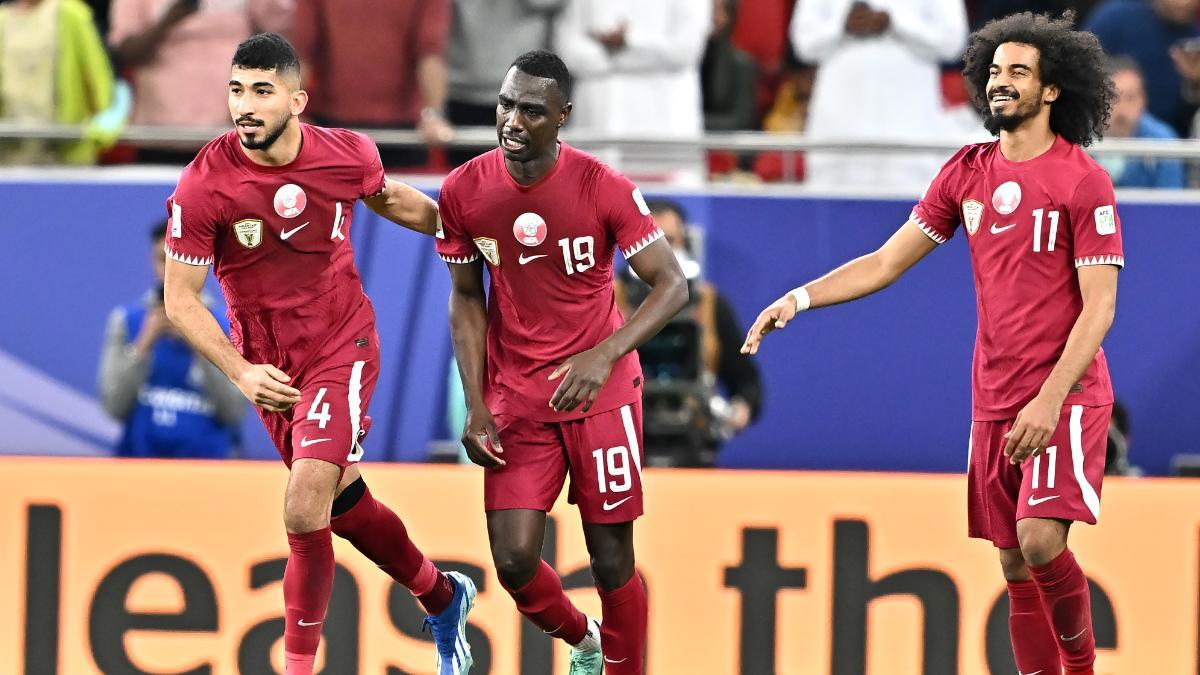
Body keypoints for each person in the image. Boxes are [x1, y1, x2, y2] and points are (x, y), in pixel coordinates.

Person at [743, 13, 1122, 675]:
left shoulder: (1081, 180)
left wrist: (1048, 401)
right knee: (1011, 558)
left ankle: (1082, 668)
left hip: (1064, 395)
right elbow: (886, 261)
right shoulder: (966, 172)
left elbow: (1101, 307)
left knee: (1038, 540)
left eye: (1019, 73)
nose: (1001, 83)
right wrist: (798, 297)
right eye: (995, 71)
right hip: (994, 393)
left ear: (1053, 90)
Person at [161, 33, 474, 675]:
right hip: (268, 367)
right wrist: (243, 371)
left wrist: (467, 226)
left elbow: (391, 199)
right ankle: (443, 597)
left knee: (305, 502)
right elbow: (181, 300)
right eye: (236, 90)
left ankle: (298, 666)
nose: (244, 106)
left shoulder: (346, 154)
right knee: (342, 508)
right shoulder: (204, 184)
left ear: (298, 100)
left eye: (262, 92)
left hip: (342, 343)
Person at [438, 50, 688, 674]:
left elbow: (672, 284)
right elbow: (466, 300)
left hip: (600, 396)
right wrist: (475, 403)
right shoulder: (464, 190)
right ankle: (587, 640)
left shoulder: (601, 187)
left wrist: (604, 356)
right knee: (515, 561)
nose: (512, 121)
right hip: (517, 398)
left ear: (562, 117)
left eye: (531, 110)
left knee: (611, 560)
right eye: (505, 104)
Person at [616, 200, 763, 466]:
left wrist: (739, 410)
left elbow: (746, 380)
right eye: (648, 242)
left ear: (685, 243)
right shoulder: (606, 299)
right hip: (618, 441)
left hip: (691, 441)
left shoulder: (709, 303)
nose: (660, 252)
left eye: (670, 241)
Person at [99, 222, 244, 458]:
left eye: (180, 259)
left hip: (212, 472)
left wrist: (201, 341)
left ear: (202, 261)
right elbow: (113, 407)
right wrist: (144, 342)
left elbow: (233, 412)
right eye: (162, 260)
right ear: (152, 261)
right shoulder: (127, 320)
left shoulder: (229, 323)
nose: (171, 270)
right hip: (140, 465)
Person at [790, 0, 968, 188]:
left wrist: (896, 22)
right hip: (839, 129)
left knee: (910, 209)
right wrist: (840, 26)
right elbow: (803, 43)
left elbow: (952, 42)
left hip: (910, 130)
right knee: (834, 203)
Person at [108, 0, 293, 163]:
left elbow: (281, 29)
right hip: (161, 134)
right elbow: (126, 52)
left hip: (231, 132)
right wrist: (170, 19)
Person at [288, 0, 453, 168]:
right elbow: (304, 50)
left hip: (398, 130)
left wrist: (433, 113)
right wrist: (433, 114)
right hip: (345, 125)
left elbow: (429, 50)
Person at [0, 0, 116, 164]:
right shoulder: (2, 19)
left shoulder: (72, 14)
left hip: (65, 150)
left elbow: (101, 82)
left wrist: (101, 136)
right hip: (9, 151)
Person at [1084, 0, 1200, 137]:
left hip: (1169, 143)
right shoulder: (1117, 18)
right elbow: (1077, 70)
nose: (1183, 3)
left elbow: (1188, 122)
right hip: (1100, 130)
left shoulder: (1195, 38)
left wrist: (1194, 84)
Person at [1102, 56, 1186, 189]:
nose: (1121, 108)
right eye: (1112, 98)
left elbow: (1171, 203)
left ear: (1143, 100)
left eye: (1130, 98)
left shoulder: (1163, 140)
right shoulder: (1077, 139)